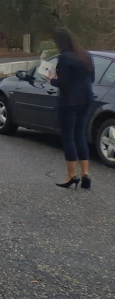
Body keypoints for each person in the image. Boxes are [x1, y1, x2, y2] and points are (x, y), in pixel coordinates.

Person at [48, 28, 95, 189]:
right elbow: (92, 78)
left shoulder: (64, 58)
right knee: (80, 135)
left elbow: (63, 84)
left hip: (69, 102)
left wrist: (51, 79)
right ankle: (85, 173)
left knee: (68, 137)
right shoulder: (86, 55)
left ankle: (71, 175)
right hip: (86, 99)